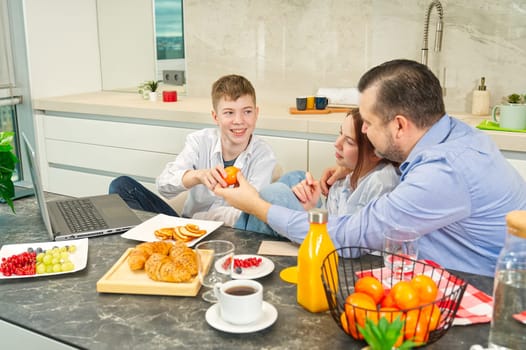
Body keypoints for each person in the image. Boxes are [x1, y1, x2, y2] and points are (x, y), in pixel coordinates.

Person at [214, 59, 526, 276]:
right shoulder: (455, 135)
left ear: (400, 125)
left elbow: (348, 238)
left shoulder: (444, 173)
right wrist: (350, 171)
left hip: (481, 290)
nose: (364, 132)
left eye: (370, 124)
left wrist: (257, 205)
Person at [109, 74, 276, 227]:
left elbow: (250, 213)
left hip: (230, 233)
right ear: (215, 117)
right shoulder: (199, 141)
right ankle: (151, 249)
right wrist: (197, 175)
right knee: (121, 185)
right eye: (229, 113)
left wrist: (199, 220)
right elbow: (164, 186)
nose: (239, 121)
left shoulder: (263, 155)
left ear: (256, 113)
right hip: (184, 229)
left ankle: (159, 246)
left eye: (247, 112)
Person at [234, 108, 400, 236]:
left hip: (342, 249)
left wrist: (309, 211)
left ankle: (245, 246)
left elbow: (347, 238)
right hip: (330, 231)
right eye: (340, 133)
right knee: (296, 177)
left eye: (348, 141)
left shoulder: (382, 182)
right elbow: (332, 221)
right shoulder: (343, 179)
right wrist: (311, 208)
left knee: (273, 193)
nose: (337, 143)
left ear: (377, 151)